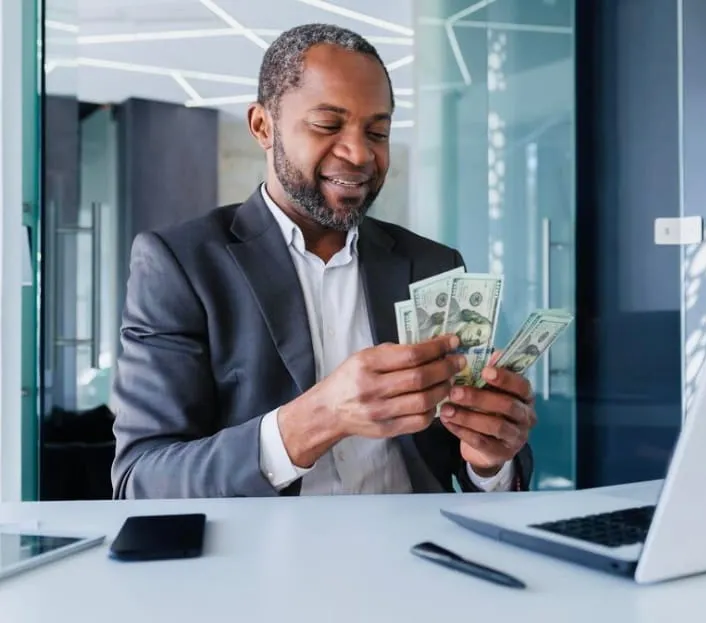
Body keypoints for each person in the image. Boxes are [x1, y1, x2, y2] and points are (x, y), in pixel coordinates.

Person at [109, 23, 535, 499]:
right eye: (327, 125)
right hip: (259, 564)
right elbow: (141, 481)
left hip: (419, 554)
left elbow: (469, 469)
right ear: (262, 126)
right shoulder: (180, 265)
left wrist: (491, 461)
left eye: (377, 131)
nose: (359, 154)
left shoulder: (432, 263)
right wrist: (317, 419)